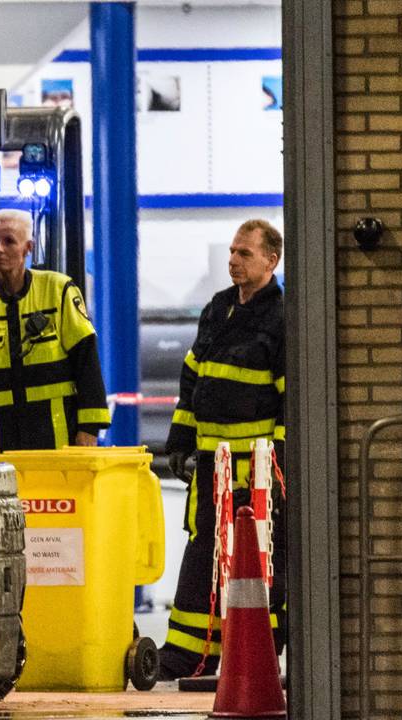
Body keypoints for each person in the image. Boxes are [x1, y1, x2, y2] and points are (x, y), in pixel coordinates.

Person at [158, 219, 287, 680]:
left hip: (257, 468)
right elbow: (193, 375)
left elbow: (289, 397)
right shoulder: (217, 309)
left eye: (245, 254)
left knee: (258, 558)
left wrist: (280, 459)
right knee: (202, 553)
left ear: (271, 261)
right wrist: (180, 439)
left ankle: (257, 652)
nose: (233, 260)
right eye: (232, 251)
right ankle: (188, 656)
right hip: (211, 463)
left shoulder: (281, 316)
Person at [0, 209, 110, 453]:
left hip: (56, 438)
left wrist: (89, 430)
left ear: (28, 248)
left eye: (8, 241)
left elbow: (87, 364)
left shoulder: (58, 290)